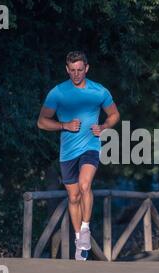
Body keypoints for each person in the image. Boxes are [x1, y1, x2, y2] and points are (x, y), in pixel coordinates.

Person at [37, 51, 120, 261]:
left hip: (90, 147)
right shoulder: (57, 93)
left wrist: (103, 127)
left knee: (85, 186)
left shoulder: (98, 91)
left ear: (87, 68)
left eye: (80, 70)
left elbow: (114, 115)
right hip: (67, 153)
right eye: (72, 70)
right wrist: (64, 125)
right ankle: (79, 242)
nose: (76, 74)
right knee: (73, 197)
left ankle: (85, 229)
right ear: (67, 69)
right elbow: (41, 121)